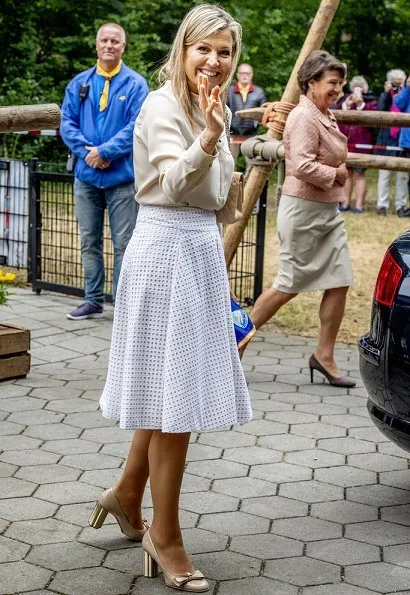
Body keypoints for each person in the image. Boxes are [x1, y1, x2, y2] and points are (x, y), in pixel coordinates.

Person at [88, 5, 251, 592]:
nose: (215, 60)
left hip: (198, 252)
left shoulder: (213, 107)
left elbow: (217, 198)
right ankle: (166, 534)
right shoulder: (160, 106)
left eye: (225, 51)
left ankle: (127, 494)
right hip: (163, 254)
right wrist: (209, 137)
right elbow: (179, 184)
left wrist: (224, 138)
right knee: (175, 403)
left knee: (168, 388)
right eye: (204, 49)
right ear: (183, 51)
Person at [243, 50, 355, 389]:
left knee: (340, 279)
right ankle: (231, 349)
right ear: (311, 82)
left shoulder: (323, 113)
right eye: (332, 83)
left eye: (340, 83)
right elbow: (301, 166)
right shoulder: (304, 117)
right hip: (304, 212)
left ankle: (324, 355)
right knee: (287, 285)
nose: (338, 89)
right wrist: (336, 174)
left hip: (326, 213)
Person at [60, 23, 149, 320]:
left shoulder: (136, 85)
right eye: (104, 40)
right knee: (89, 240)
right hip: (86, 176)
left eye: (115, 41)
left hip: (121, 177)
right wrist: (89, 153)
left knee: (124, 244)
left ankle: (122, 304)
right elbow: (66, 123)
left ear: (124, 46)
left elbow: (137, 126)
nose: (109, 45)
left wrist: (106, 152)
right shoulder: (79, 83)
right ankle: (92, 299)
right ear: (96, 44)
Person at [336, 75, 377, 213]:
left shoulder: (371, 102)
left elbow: (375, 119)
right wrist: (346, 105)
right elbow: (337, 113)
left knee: (359, 174)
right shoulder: (346, 100)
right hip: (345, 142)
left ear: (365, 89)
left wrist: (361, 105)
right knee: (347, 174)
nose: (357, 90)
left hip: (362, 143)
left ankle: (359, 205)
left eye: (360, 87)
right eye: (355, 87)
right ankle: (345, 202)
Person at [376, 69, 409, 216]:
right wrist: (386, 93)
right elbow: (381, 110)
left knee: (402, 175)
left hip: (402, 138)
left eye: (399, 82)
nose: (396, 84)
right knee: (384, 173)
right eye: (394, 82)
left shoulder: (406, 93)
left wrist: (405, 89)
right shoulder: (385, 95)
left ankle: (400, 205)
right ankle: (382, 205)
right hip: (386, 136)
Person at [227, 63, 266, 162]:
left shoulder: (259, 92)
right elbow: (224, 111)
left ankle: (250, 178)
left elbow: (264, 111)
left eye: (247, 73)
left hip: (251, 133)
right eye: (242, 73)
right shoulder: (229, 91)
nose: (245, 76)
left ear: (252, 75)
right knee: (229, 161)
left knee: (252, 163)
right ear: (237, 75)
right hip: (232, 133)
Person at [394, 74, 410, 200]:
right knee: (403, 177)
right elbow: (398, 104)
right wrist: (408, 87)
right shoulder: (408, 92)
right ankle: (402, 205)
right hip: (407, 142)